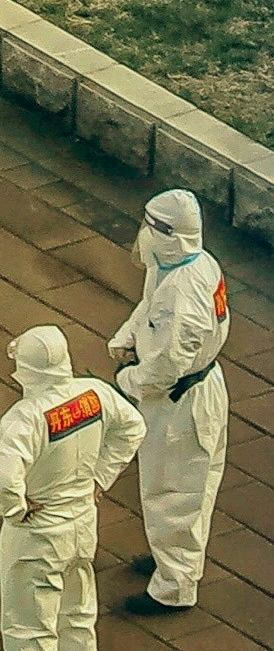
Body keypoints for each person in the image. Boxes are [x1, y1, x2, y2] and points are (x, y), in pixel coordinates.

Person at [0, 316, 142, 651]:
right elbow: (132, 427)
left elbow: (4, 477)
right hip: (81, 524)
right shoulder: (94, 394)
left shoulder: (26, 416)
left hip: (39, 532)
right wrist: (100, 478)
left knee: (30, 633)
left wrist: (14, 508)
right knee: (77, 620)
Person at [110, 189, 230, 614]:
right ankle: (175, 562)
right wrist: (126, 339)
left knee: (173, 491)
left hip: (181, 401)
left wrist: (130, 379)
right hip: (198, 389)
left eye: (150, 227)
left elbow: (167, 364)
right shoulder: (185, 266)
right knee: (193, 486)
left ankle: (174, 588)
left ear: (167, 234)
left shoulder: (184, 296)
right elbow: (148, 307)